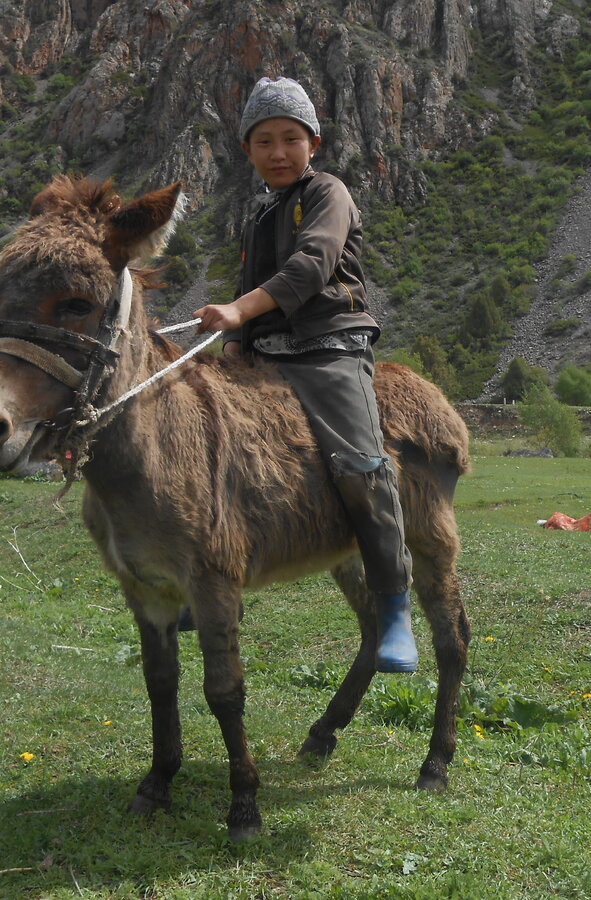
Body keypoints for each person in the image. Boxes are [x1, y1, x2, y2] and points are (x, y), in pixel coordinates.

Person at [194, 76, 418, 673]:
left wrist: (239, 311)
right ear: (247, 151)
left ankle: (394, 603)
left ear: (313, 142)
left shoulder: (329, 194)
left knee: (361, 461)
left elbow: (311, 265)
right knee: (208, 445)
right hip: (266, 354)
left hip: (329, 348)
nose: (278, 151)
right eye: (263, 140)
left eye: (290, 138)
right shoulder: (260, 214)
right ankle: (210, 579)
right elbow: (248, 290)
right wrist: (235, 342)